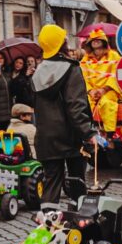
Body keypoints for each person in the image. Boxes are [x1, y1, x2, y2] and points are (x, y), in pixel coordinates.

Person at [32, 24, 103, 212]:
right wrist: (89, 133)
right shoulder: (71, 70)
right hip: (71, 137)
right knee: (77, 182)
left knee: (51, 183)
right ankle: (77, 226)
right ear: (60, 44)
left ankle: (48, 227)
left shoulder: (38, 72)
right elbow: (76, 107)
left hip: (46, 137)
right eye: (64, 39)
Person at [80, 28, 122, 135]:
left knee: (107, 104)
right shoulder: (85, 59)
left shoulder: (114, 55)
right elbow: (83, 78)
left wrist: (104, 90)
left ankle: (110, 134)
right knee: (84, 105)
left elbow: (116, 75)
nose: (95, 41)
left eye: (98, 39)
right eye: (93, 39)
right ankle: (89, 134)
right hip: (92, 92)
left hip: (109, 90)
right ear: (89, 43)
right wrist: (90, 91)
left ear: (104, 41)